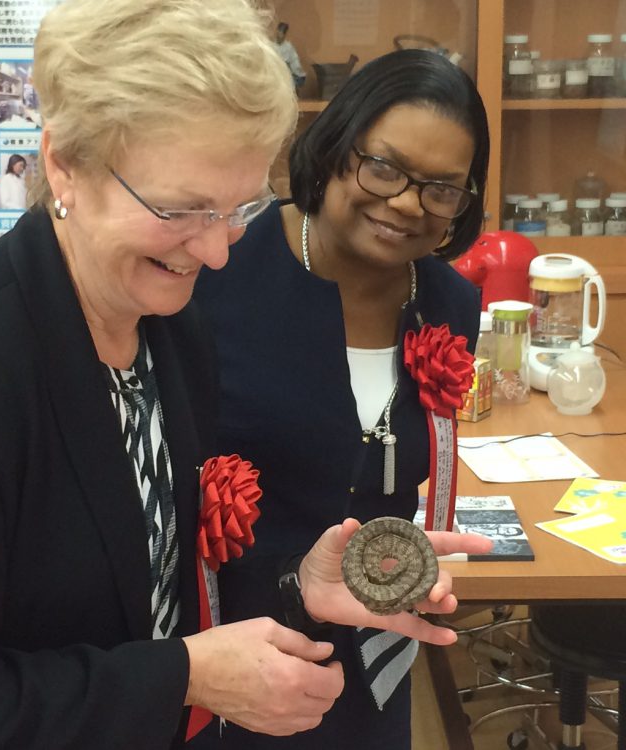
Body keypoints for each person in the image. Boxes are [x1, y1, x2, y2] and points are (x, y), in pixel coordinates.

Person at [0, 5, 487, 749]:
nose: (214, 253)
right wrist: (184, 678)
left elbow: (146, 582)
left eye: (238, 209)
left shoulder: (167, 332)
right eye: (179, 210)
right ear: (62, 166)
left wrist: (296, 586)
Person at [192, 48, 492, 749]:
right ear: (333, 149)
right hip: (229, 651)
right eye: (383, 168)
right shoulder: (219, 273)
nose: (408, 203)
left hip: (373, 645)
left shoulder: (448, 303)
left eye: (441, 189)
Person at [274, 22, 306, 89]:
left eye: (281, 33)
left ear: (284, 35)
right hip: (273, 74)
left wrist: (298, 73)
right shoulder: (271, 45)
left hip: (285, 75)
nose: (279, 35)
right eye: (278, 31)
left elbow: (295, 62)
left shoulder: (289, 47)